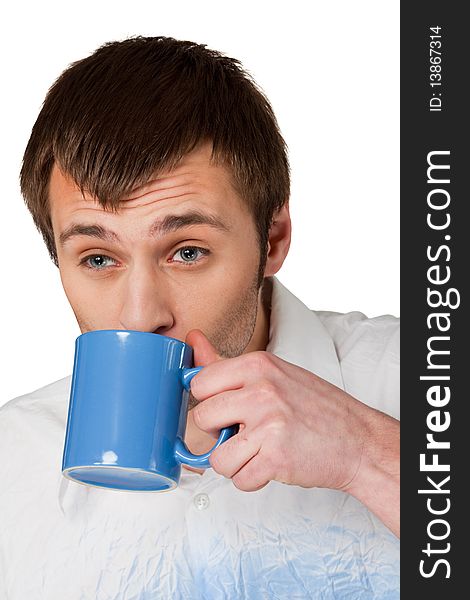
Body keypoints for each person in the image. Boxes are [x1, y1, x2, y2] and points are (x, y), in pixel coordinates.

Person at [0, 36, 399, 599]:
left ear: (272, 240)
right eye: (98, 258)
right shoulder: (10, 456)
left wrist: (368, 455)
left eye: (187, 251)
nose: (141, 316)